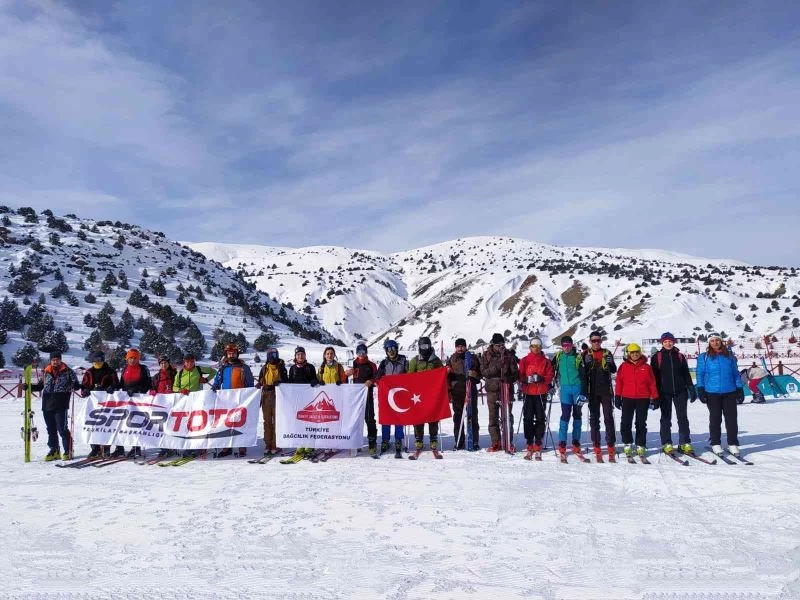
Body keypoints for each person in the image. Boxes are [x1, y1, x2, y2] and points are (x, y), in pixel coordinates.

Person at [695, 333, 744, 456]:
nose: (715, 342)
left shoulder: (729, 356)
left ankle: (732, 443)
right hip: (712, 392)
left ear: (721, 342)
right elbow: (699, 373)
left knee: (731, 419)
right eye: (712, 341)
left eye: (717, 340)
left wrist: (739, 388)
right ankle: (715, 443)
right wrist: (700, 388)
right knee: (715, 418)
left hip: (730, 391)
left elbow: (735, 373)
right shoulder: (704, 357)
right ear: (709, 343)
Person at [650, 332, 697, 455]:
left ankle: (684, 442)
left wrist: (691, 388)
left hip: (680, 391)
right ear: (662, 343)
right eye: (665, 341)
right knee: (666, 419)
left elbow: (686, 374)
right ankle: (666, 442)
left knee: (683, 418)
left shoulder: (680, 356)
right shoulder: (657, 357)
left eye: (670, 341)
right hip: (664, 392)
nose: (668, 343)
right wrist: (653, 394)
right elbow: (653, 377)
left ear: (674, 342)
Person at [30, 352, 80, 461]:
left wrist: (75, 385)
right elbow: (39, 386)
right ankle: (54, 450)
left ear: (60, 360)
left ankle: (68, 450)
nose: (55, 361)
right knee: (51, 430)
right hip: (47, 403)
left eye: (57, 359)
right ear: (50, 360)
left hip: (61, 403)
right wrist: (29, 387)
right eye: (53, 360)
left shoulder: (68, 371)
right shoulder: (46, 372)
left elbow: (76, 384)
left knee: (62, 429)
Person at [614, 343, 658, 458]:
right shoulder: (623, 366)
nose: (635, 354)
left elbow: (652, 383)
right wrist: (617, 396)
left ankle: (640, 444)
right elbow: (619, 382)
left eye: (637, 352)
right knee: (625, 422)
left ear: (640, 352)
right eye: (632, 352)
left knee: (641, 423)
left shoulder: (647, 367)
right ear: (628, 354)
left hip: (643, 398)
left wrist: (655, 397)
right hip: (627, 398)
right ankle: (627, 443)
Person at [211, 342, 254, 457]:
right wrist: (215, 386)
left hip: (241, 399)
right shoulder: (223, 368)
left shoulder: (243, 367)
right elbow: (218, 380)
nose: (231, 355)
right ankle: (227, 446)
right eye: (229, 353)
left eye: (233, 353)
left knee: (241, 422)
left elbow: (250, 383)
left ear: (237, 354)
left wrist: (250, 396)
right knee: (227, 422)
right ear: (226, 354)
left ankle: (242, 446)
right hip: (226, 400)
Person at [171, 353, 217, 459]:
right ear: (184, 362)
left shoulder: (199, 369)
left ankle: (196, 447)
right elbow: (174, 387)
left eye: (192, 361)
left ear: (194, 361)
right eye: (187, 362)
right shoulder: (180, 372)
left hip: (197, 401)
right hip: (184, 402)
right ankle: (187, 446)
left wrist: (206, 379)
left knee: (196, 423)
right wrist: (181, 390)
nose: (190, 363)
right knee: (185, 423)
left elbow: (213, 371)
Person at [581, 331, 617, 461]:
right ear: (590, 341)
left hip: (606, 391)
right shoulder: (585, 354)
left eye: (598, 340)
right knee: (594, 419)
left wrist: (611, 362)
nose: (596, 343)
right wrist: (585, 363)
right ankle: (596, 445)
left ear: (601, 341)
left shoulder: (607, 352)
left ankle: (610, 445)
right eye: (594, 341)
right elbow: (582, 374)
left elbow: (613, 369)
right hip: (592, 392)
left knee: (608, 418)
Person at [481, 333, 519, 452]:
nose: (501, 347)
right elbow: (484, 372)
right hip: (492, 390)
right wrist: (497, 366)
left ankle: (508, 440)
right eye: (498, 345)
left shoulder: (508, 355)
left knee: (507, 417)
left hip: (506, 389)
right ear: (493, 345)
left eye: (503, 344)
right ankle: (496, 442)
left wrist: (509, 376)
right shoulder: (486, 355)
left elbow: (515, 374)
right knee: (493, 418)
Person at [551, 336, 588, 459]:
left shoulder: (577, 357)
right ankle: (562, 442)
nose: (566, 347)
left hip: (577, 389)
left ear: (572, 345)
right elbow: (550, 368)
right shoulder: (558, 357)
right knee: (565, 415)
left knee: (577, 415)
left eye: (568, 345)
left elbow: (583, 376)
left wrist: (583, 392)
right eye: (564, 345)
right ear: (561, 346)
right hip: (565, 390)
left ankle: (576, 442)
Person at [518, 338, 554, 459]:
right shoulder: (524, 360)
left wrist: (542, 378)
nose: (536, 348)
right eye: (533, 346)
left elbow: (550, 376)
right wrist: (525, 380)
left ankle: (538, 442)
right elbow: (520, 375)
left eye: (538, 346)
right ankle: (529, 442)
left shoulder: (546, 361)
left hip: (541, 392)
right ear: (530, 347)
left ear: (541, 347)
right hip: (528, 392)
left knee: (540, 418)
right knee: (527, 418)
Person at [408, 336, 444, 455]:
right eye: (422, 346)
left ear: (430, 346)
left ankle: (433, 439)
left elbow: (441, 375)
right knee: (418, 417)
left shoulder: (436, 360)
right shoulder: (415, 361)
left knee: (433, 416)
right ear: (419, 347)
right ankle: (419, 440)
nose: (425, 348)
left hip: (432, 394)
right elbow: (409, 377)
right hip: (418, 395)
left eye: (427, 346)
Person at [80, 350, 119, 459]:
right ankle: (95, 448)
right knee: (93, 425)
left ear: (103, 359)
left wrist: (113, 388)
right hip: (93, 404)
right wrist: (86, 391)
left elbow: (117, 384)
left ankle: (106, 448)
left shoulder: (110, 371)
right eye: (95, 360)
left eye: (99, 359)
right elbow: (84, 386)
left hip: (107, 404)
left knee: (106, 425)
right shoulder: (89, 372)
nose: (97, 362)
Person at [446, 338, 481, 450]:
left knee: (473, 416)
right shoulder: (452, 359)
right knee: (458, 418)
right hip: (457, 392)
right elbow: (447, 377)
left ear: (466, 346)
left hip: (470, 391)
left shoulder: (473, 358)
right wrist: (449, 389)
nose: (460, 348)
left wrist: (474, 375)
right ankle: (459, 441)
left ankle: (474, 441)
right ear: (455, 347)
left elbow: (480, 375)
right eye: (458, 346)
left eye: (462, 346)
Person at [116, 348, 152, 458]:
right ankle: (119, 448)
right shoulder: (125, 368)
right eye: (130, 358)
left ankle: (136, 448)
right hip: (126, 399)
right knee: (121, 424)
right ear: (127, 358)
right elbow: (121, 383)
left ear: (138, 359)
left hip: (138, 400)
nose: (132, 360)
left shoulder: (143, 368)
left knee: (135, 424)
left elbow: (147, 384)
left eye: (135, 358)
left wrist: (136, 389)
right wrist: (113, 387)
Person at [286, 346, 319, 460]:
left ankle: (309, 447)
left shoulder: (310, 367)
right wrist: (281, 384)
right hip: (297, 400)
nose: (300, 356)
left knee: (309, 424)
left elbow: (315, 379)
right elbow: (290, 382)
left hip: (309, 400)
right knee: (298, 424)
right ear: (295, 356)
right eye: (298, 354)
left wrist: (314, 381)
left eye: (302, 354)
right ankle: (300, 446)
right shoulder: (293, 369)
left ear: (305, 355)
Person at [376, 339, 409, 455]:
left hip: (400, 395)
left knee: (399, 417)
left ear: (396, 349)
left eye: (393, 349)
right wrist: (381, 384)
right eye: (388, 349)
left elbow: (410, 376)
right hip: (387, 395)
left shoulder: (404, 361)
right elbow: (378, 378)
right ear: (386, 351)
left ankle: (398, 439)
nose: (391, 351)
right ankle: (385, 440)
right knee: (386, 417)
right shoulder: (384, 363)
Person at [256, 348, 288, 457]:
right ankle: (268, 443)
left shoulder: (281, 368)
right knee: (267, 420)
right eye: (270, 355)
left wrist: (281, 382)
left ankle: (276, 443)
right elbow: (261, 380)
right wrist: (259, 385)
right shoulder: (265, 368)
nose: (273, 357)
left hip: (277, 395)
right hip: (266, 395)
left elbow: (286, 381)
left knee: (277, 420)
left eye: (275, 354)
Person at [350, 344, 380, 456]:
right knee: (356, 421)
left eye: (363, 352)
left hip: (368, 397)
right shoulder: (353, 363)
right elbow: (344, 377)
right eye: (359, 352)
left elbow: (377, 377)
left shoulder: (371, 365)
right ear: (356, 353)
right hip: (355, 398)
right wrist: (346, 373)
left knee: (369, 419)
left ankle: (372, 443)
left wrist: (371, 381)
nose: (361, 354)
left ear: (366, 352)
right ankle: (357, 443)